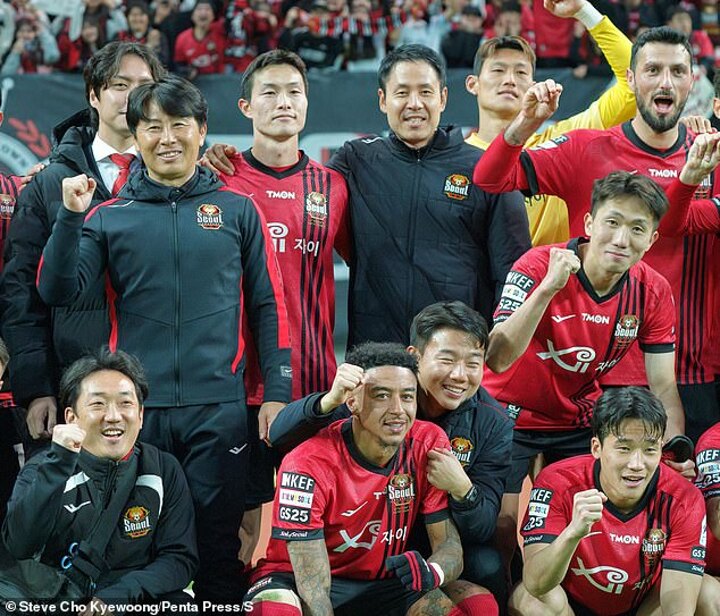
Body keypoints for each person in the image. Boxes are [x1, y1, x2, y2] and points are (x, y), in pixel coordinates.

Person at [36, 75, 292, 604]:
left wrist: (276, 392)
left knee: (218, 545)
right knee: (136, 547)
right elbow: (56, 288)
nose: (167, 137)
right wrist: (70, 217)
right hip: (137, 414)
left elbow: (269, 306)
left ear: (202, 130)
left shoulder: (238, 210)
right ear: (136, 136)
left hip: (217, 410)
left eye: (179, 124)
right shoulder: (107, 217)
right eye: (152, 127)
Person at [473, 26, 717, 445]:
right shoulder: (585, 148)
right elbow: (490, 178)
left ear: (692, 81)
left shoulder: (709, 155)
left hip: (688, 369)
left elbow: (677, 226)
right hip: (588, 378)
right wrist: (525, 124)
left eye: (677, 71)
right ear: (631, 79)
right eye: (652, 70)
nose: (665, 82)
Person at [204, 43, 531, 348]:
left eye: (425, 92)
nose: (414, 104)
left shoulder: (486, 170)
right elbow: (292, 186)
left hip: (454, 357)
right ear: (382, 100)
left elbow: (513, 269)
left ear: (443, 98)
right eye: (401, 92)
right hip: (376, 359)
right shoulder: (355, 160)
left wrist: (498, 350)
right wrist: (229, 162)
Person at [483, 171, 686, 577]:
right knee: (502, 529)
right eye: (612, 222)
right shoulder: (538, 263)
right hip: (506, 412)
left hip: (575, 418)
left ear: (651, 240)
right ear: (590, 223)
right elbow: (497, 358)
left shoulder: (653, 291)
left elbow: (664, 385)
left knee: (588, 525)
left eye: (637, 229)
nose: (621, 239)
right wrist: (547, 289)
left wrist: (672, 448)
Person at [269, 301, 514, 608]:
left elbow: (481, 528)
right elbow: (278, 437)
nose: (459, 375)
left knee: (485, 570)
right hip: (344, 548)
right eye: (447, 360)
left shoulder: (487, 425)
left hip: (422, 542)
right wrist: (328, 401)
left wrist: (463, 489)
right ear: (416, 357)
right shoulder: (366, 397)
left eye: (473, 363)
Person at [213, 49, 350, 562]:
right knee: (240, 527)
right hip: (238, 385)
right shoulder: (218, 178)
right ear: (246, 106)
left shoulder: (333, 186)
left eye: (294, 92)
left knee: (315, 525)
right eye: (269, 92)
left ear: (307, 104)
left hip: (313, 384)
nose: (283, 102)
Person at [0, 41, 166, 448]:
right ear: (94, 95)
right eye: (120, 85)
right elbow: (21, 294)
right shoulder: (46, 184)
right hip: (70, 393)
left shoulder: (185, 183)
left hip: (164, 397)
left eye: (144, 85)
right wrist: (36, 388)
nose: (132, 96)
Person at [1, 348, 197, 608]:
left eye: (125, 403)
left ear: (140, 416)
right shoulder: (43, 468)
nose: (113, 416)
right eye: (98, 404)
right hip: (58, 599)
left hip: (127, 599)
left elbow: (179, 558)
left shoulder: (162, 468)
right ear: (71, 417)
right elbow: (19, 546)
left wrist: (119, 596)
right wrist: (59, 464)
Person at [511, 386, 711, 615]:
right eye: (624, 448)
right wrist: (572, 533)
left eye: (649, 449)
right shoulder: (557, 482)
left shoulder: (684, 499)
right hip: (569, 606)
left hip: (642, 607)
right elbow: (536, 583)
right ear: (596, 447)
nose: (637, 464)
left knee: (710, 593)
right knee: (529, 602)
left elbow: (678, 609)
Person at [465, 0, 636, 245]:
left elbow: (633, 85)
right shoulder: (453, 156)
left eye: (521, 72)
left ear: (533, 86)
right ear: (473, 84)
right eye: (498, 70)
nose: (510, 80)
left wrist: (584, 12)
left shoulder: (558, 146)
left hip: (550, 269)